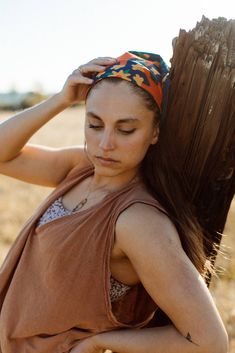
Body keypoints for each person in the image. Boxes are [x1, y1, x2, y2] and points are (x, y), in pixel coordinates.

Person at [0, 52, 228, 353]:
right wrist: (60, 99)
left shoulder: (137, 221)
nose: (105, 144)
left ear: (154, 132)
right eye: (95, 124)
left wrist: (99, 342)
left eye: (125, 129)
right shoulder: (80, 169)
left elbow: (209, 342)